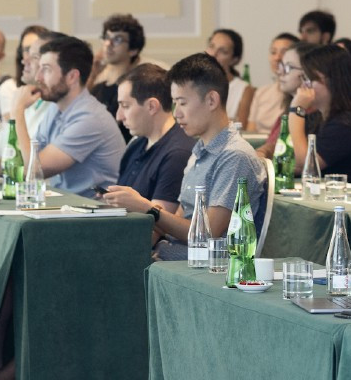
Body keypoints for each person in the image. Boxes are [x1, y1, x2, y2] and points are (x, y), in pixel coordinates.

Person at [149, 53, 268, 261]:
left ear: (212, 100)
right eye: (175, 103)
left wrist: (150, 210)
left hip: (201, 270)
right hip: (168, 258)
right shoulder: (200, 150)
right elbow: (180, 216)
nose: (176, 113)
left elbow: (208, 233)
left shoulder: (234, 156)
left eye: (182, 103)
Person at [13, 34, 126, 194]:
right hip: (66, 209)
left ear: (72, 77)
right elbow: (27, 160)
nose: (38, 78)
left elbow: (36, 170)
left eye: (46, 70)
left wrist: (17, 112)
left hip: (94, 213)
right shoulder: (55, 108)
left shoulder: (90, 118)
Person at [100, 63, 195, 214]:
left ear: (151, 106)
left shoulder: (177, 154)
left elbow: (156, 227)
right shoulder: (137, 143)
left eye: (125, 106)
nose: (119, 116)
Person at [291, 44, 351, 188]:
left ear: (330, 80)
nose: (304, 86)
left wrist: (296, 110)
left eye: (309, 78)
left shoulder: (347, 123)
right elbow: (292, 158)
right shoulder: (319, 117)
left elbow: (306, 164)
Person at [0, 29, 55, 166]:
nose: (24, 59)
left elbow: (32, 165)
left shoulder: (55, 107)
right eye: (25, 51)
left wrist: (17, 109)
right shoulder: (31, 101)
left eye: (34, 55)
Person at [88, 14, 145, 127]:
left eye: (117, 39)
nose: (108, 44)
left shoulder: (135, 89)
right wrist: (93, 74)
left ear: (133, 50)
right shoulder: (98, 87)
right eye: (106, 37)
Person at [205, 28, 255, 126]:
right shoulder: (193, 83)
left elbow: (240, 127)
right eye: (211, 46)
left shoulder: (244, 89)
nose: (213, 54)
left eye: (223, 51)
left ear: (234, 60)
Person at [247, 33, 296, 131]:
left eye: (284, 52)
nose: (277, 58)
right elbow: (250, 131)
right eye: (273, 52)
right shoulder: (261, 92)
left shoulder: (300, 94)